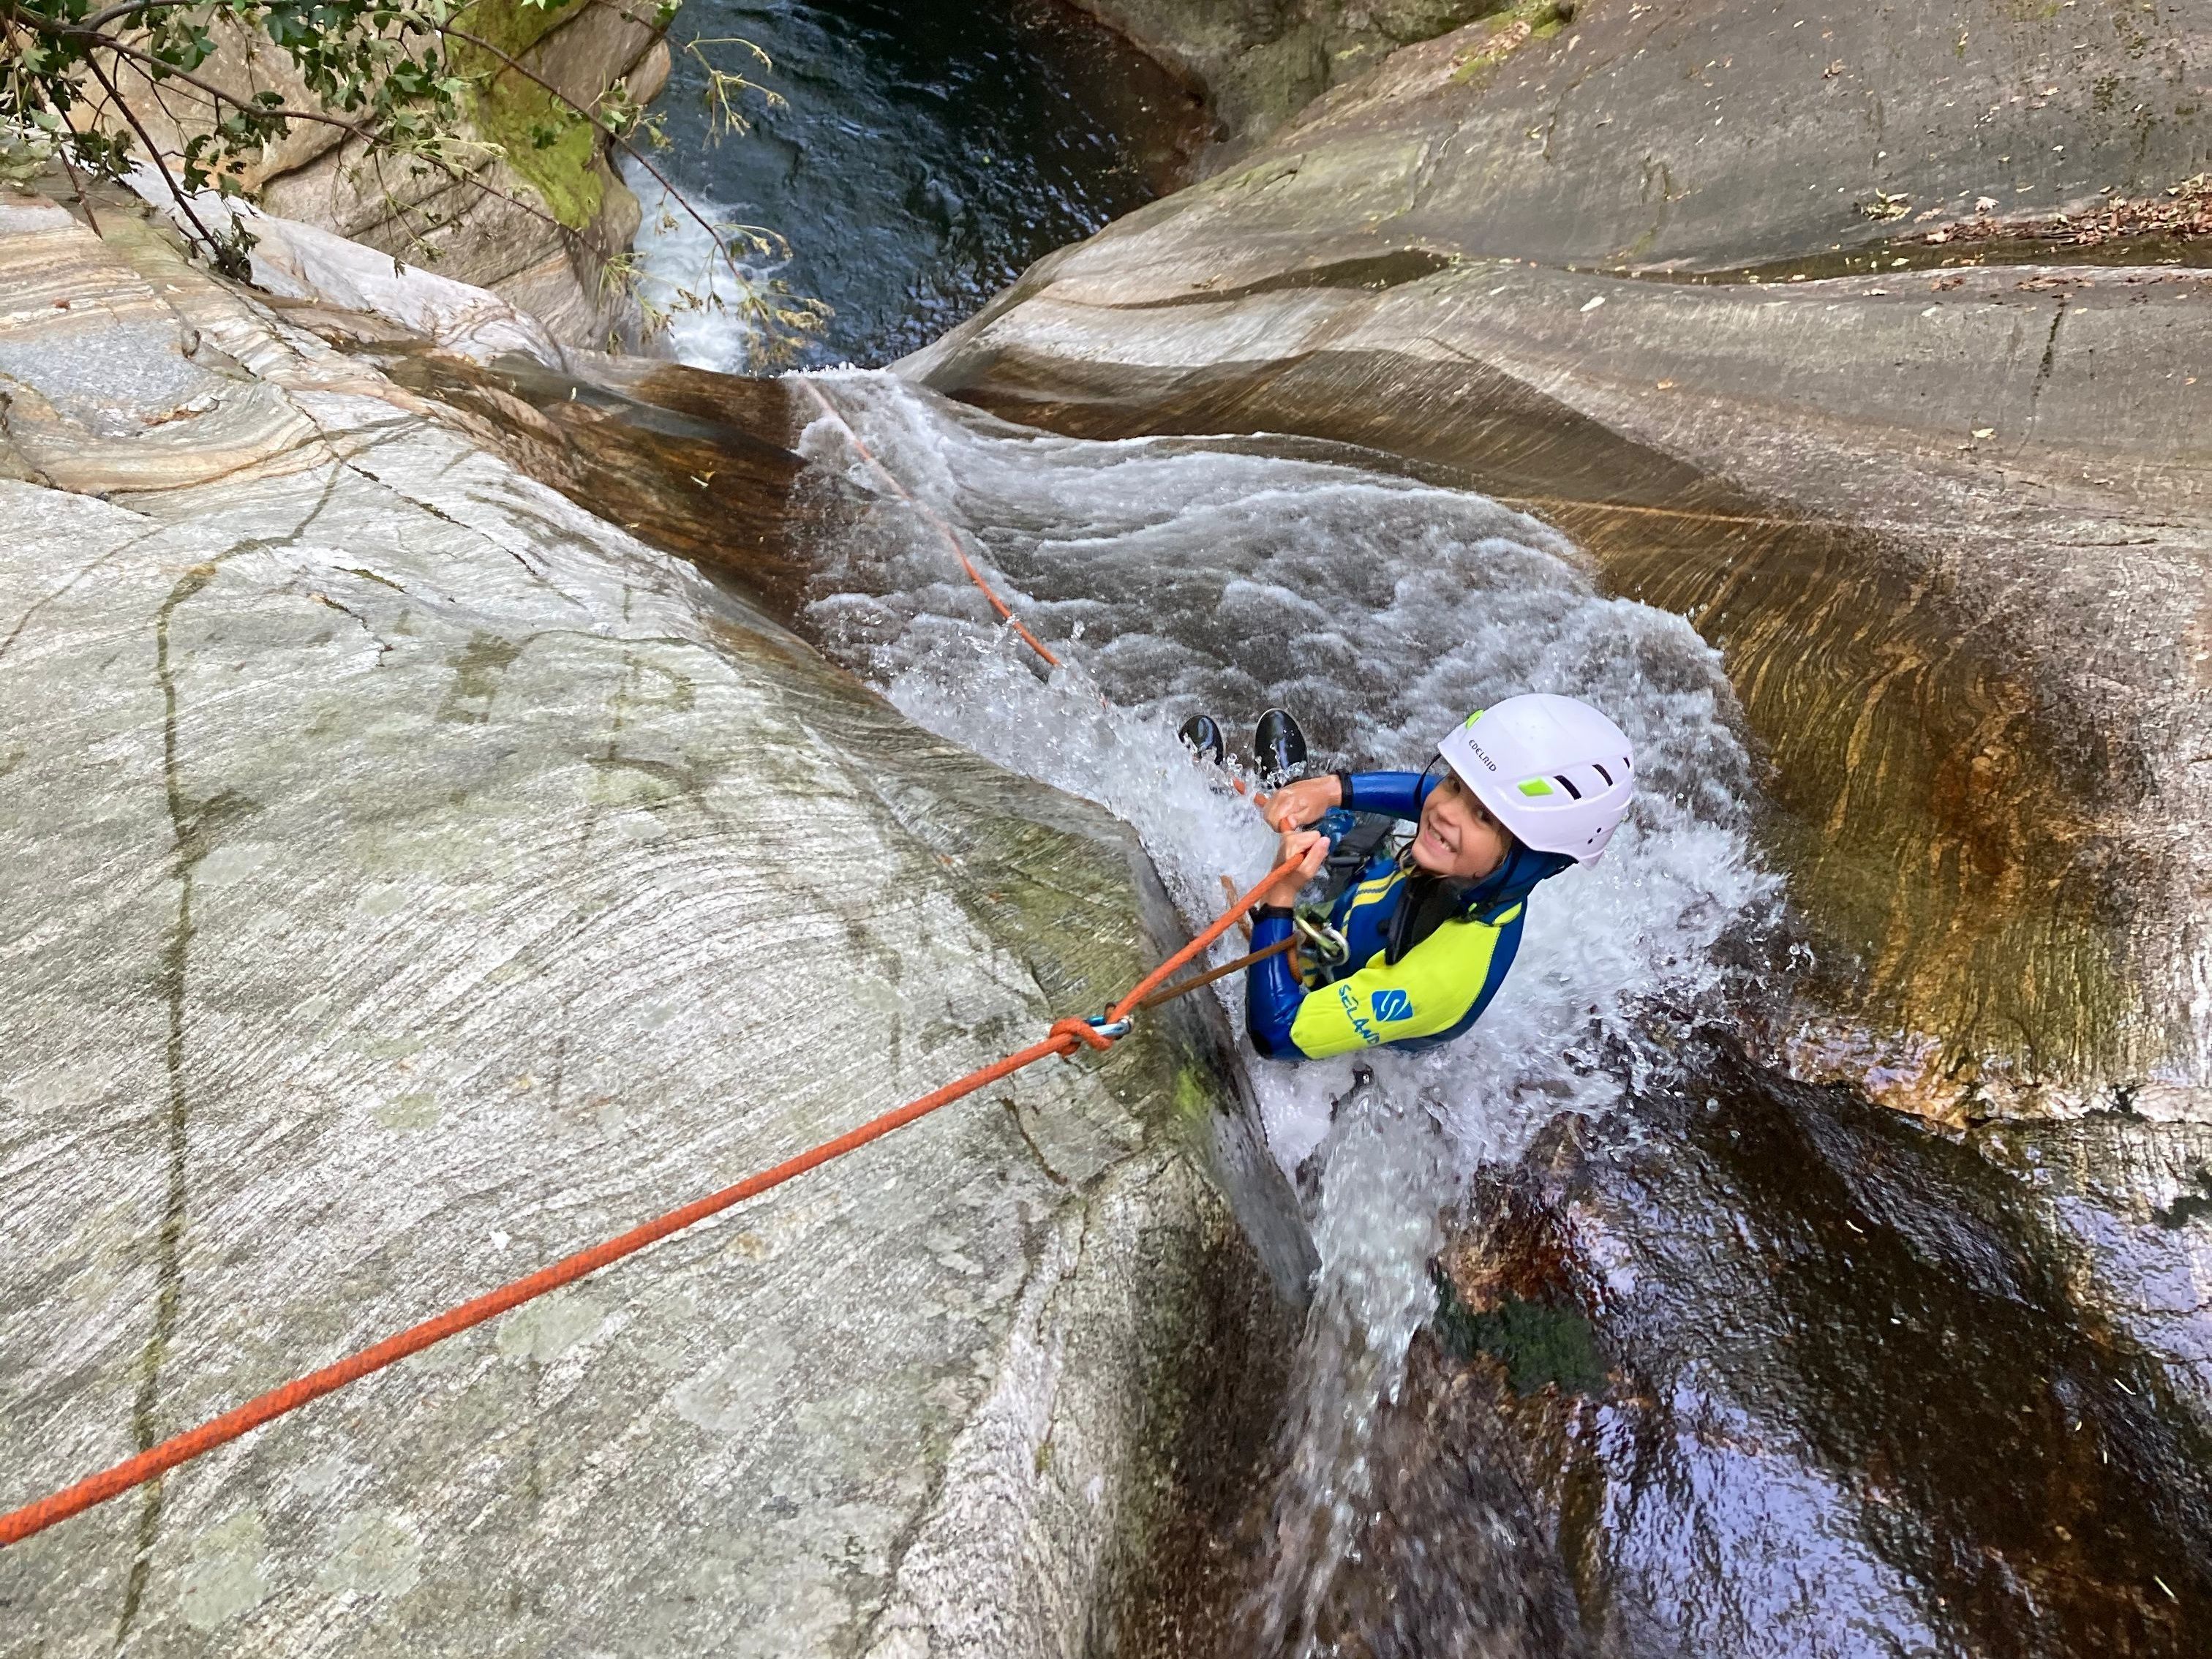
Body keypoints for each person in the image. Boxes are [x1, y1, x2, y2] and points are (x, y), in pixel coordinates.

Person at [1234, 694, 1636, 1061]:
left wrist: (1281, 895)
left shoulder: (1443, 978)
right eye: (1456, 783)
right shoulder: (1478, 870)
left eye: (1484, 815)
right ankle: (1312, 810)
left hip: (1352, 1010)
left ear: (1536, 859)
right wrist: (1332, 790)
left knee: (1348, 852)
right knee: (1354, 830)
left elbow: (1276, 1036)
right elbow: (1430, 793)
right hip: (1372, 914)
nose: (1446, 811)